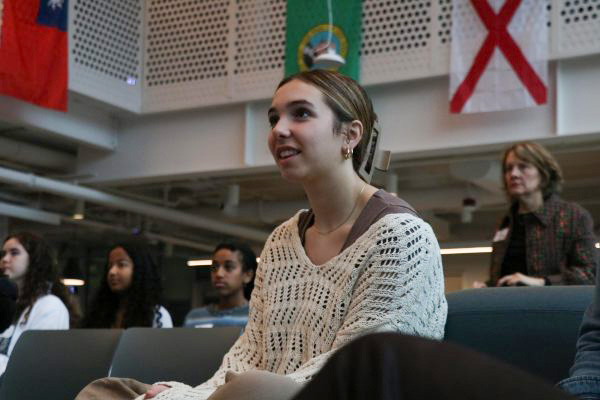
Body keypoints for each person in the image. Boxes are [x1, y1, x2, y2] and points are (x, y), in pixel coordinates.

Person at [76, 69, 447, 400]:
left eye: (300, 113)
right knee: (104, 392)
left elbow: (359, 365)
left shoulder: (401, 236)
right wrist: (188, 395)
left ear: (350, 135)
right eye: (274, 118)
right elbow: (246, 355)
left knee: (252, 389)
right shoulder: (282, 241)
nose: (278, 130)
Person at [474, 141, 596, 288]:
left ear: (543, 173)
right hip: (507, 306)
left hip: (549, 307)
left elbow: (590, 273)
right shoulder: (505, 222)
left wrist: (542, 282)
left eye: (523, 166)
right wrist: (487, 287)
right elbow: (505, 277)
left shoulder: (572, 216)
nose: (513, 174)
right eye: (508, 169)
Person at [0, 232, 78, 375]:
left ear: (34, 259)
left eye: (14, 253)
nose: (5, 259)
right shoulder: (7, 304)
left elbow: (36, 365)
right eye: (3, 254)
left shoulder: (50, 306)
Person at [82, 243, 173, 329]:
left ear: (138, 271)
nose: (112, 272)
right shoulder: (100, 314)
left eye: (121, 265)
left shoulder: (156, 315)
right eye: (110, 266)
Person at [184, 242, 257, 328]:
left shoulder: (257, 318)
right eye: (214, 267)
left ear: (248, 275)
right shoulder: (194, 318)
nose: (219, 274)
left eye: (229, 267)